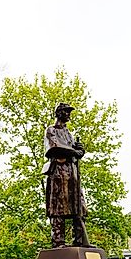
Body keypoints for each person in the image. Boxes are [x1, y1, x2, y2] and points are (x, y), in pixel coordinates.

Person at [43, 102, 91, 248]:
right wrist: (73, 152)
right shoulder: (51, 130)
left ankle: (80, 240)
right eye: (65, 111)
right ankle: (58, 242)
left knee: (79, 207)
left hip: (72, 174)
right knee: (58, 207)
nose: (68, 114)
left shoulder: (69, 134)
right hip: (58, 173)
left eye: (69, 112)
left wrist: (79, 150)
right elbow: (54, 147)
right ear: (58, 113)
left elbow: (74, 151)